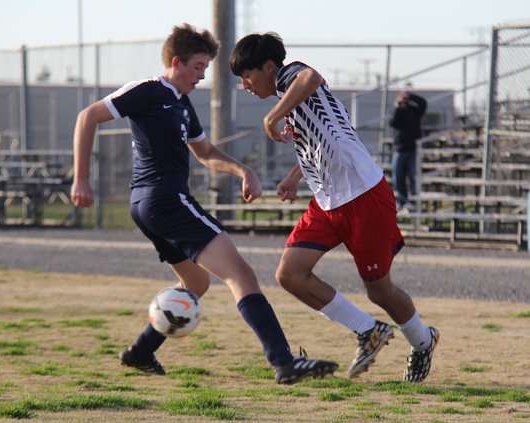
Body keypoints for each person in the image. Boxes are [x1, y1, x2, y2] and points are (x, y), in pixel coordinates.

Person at [70, 23, 337, 385]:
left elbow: (206, 153)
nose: (201, 76)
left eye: (204, 69)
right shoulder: (150, 91)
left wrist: (243, 171)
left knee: (195, 283)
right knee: (240, 274)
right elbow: (88, 116)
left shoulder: (181, 103)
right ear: (176, 62)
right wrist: (82, 178)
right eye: (197, 67)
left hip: (153, 204)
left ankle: (140, 352)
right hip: (164, 198)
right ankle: (284, 362)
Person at [230, 32, 439, 382]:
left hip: (363, 195)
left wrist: (271, 118)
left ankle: (422, 341)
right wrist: (295, 176)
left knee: (379, 290)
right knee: (289, 275)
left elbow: (309, 77)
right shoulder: (292, 97)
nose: (245, 84)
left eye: (247, 75)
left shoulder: (290, 76)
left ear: (268, 67)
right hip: (327, 201)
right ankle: (367, 331)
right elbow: (324, 137)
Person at [389, 91, 428, 212]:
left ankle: (413, 201)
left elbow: (423, 104)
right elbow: (394, 122)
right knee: (398, 177)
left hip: (412, 149)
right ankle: (402, 201)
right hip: (399, 150)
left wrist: (410, 96)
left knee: (413, 177)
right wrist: (398, 107)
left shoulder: (414, 110)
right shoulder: (397, 111)